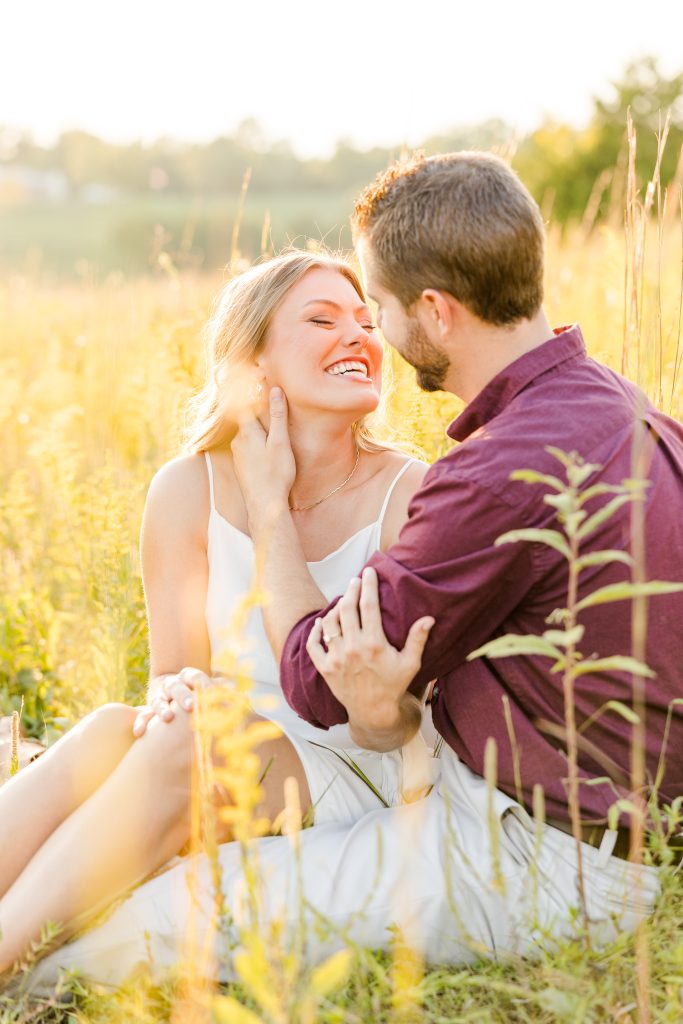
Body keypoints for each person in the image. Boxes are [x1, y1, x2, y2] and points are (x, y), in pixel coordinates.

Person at [26, 152, 683, 991]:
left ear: (434, 312)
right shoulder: (621, 407)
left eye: (373, 306)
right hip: (549, 819)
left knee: (166, 912)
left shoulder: (487, 472)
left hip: (534, 848)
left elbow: (315, 679)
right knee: (114, 760)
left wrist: (270, 516)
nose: (367, 330)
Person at [0, 250, 435, 980]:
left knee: (194, 743)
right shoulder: (185, 490)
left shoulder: (407, 493)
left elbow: (391, 712)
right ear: (253, 361)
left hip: (350, 759)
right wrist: (174, 693)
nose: (358, 335)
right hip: (220, 740)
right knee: (115, 726)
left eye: (365, 320)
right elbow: (174, 673)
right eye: (322, 319)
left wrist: (272, 509)